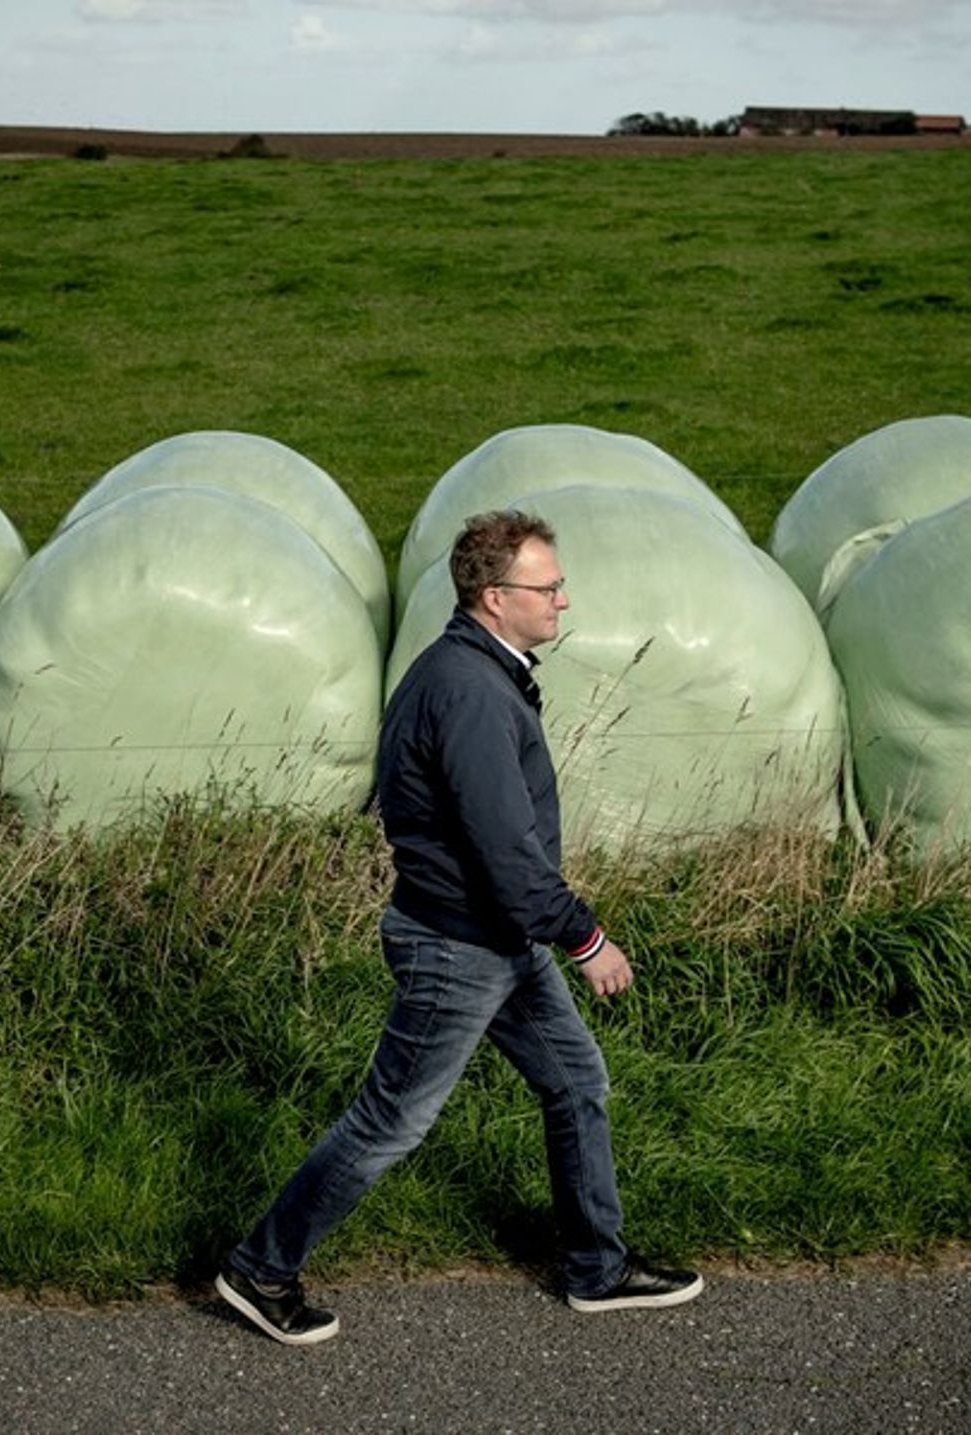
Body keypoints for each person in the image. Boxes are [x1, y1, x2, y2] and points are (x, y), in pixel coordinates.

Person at [215, 509, 703, 1346]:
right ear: (491, 596)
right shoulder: (470, 691)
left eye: (558, 582)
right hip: (461, 944)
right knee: (389, 1121)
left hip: (496, 937)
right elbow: (506, 850)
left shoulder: (472, 668)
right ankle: (260, 1269)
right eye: (545, 586)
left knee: (576, 1078)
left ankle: (596, 1266)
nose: (562, 598)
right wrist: (584, 937)